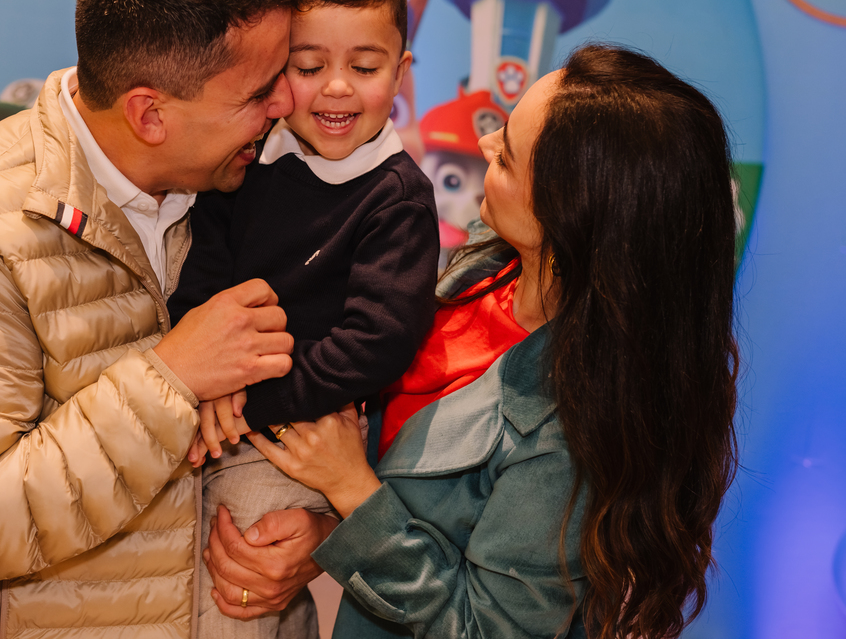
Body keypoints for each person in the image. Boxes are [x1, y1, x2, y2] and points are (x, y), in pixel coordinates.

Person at [0, 0, 328, 639]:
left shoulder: (268, 176)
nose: (290, 102)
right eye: (259, 91)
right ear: (150, 115)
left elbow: (331, 388)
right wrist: (168, 381)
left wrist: (317, 524)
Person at [239, 44, 741, 638]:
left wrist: (352, 490)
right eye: (501, 130)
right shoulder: (485, 267)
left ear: (568, 217)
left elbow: (486, 629)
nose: (483, 147)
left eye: (506, 158)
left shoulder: (573, 432)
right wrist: (332, 528)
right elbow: (419, 508)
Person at [167, 0, 439, 638]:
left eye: (366, 65)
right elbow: (203, 274)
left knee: (243, 574)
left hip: (299, 432)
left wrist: (252, 401)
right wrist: (207, 382)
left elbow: (374, 344)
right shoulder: (250, 159)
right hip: (210, 407)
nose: (338, 88)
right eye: (309, 65)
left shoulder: (396, 197)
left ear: (402, 71)